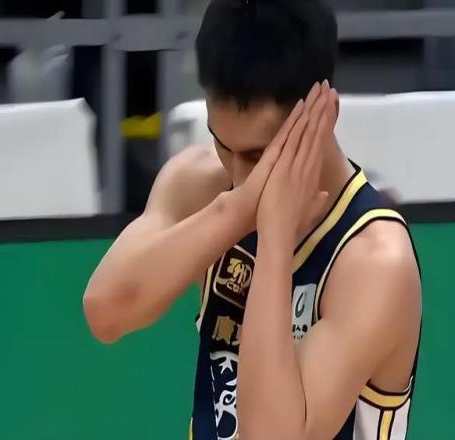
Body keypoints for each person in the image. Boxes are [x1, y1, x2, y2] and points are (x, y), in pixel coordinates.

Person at [83, 1, 422, 439]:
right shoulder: (207, 187)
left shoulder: (375, 260)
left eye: (259, 155)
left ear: (323, 117)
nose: (242, 175)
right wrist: (237, 210)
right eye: (221, 144)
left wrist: (275, 239)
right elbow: (106, 312)